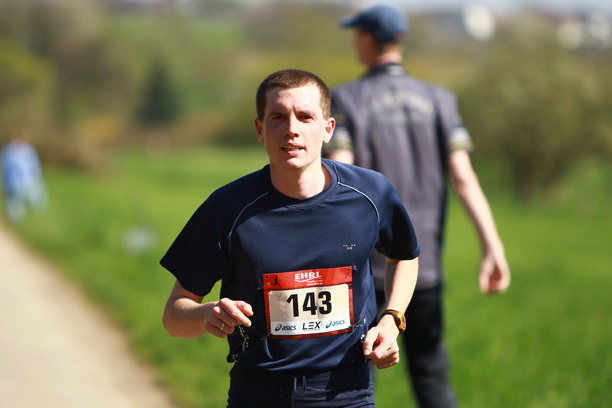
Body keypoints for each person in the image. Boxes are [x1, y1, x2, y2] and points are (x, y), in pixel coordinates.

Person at [160, 69, 420, 408]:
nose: (291, 129)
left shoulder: (370, 193)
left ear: (328, 129)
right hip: (259, 392)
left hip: (346, 391)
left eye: (305, 117)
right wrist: (206, 314)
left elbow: (405, 256)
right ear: (260, 129)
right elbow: (174, 315)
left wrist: (392, 318)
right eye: (278, 117)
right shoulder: (227, 208)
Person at [324, 4, 511, 408]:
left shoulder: (347, 99)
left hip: (363, 265)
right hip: (422, 264)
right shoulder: (440, 100)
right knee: (431, 376)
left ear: (367, 40)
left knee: (349, 383)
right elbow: (464, 178)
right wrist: (493, 248)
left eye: (356, 36)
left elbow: (340, 174)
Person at [1, 129, 47, 223]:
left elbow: (35, 167)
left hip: (26, 183)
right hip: (15, 184)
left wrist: (37, 179)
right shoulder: (8, 152)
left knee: (36, 200)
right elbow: (4, 169)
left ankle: (38, 217)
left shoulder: (28, 151)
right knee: (15, 205)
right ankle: (16, 221)